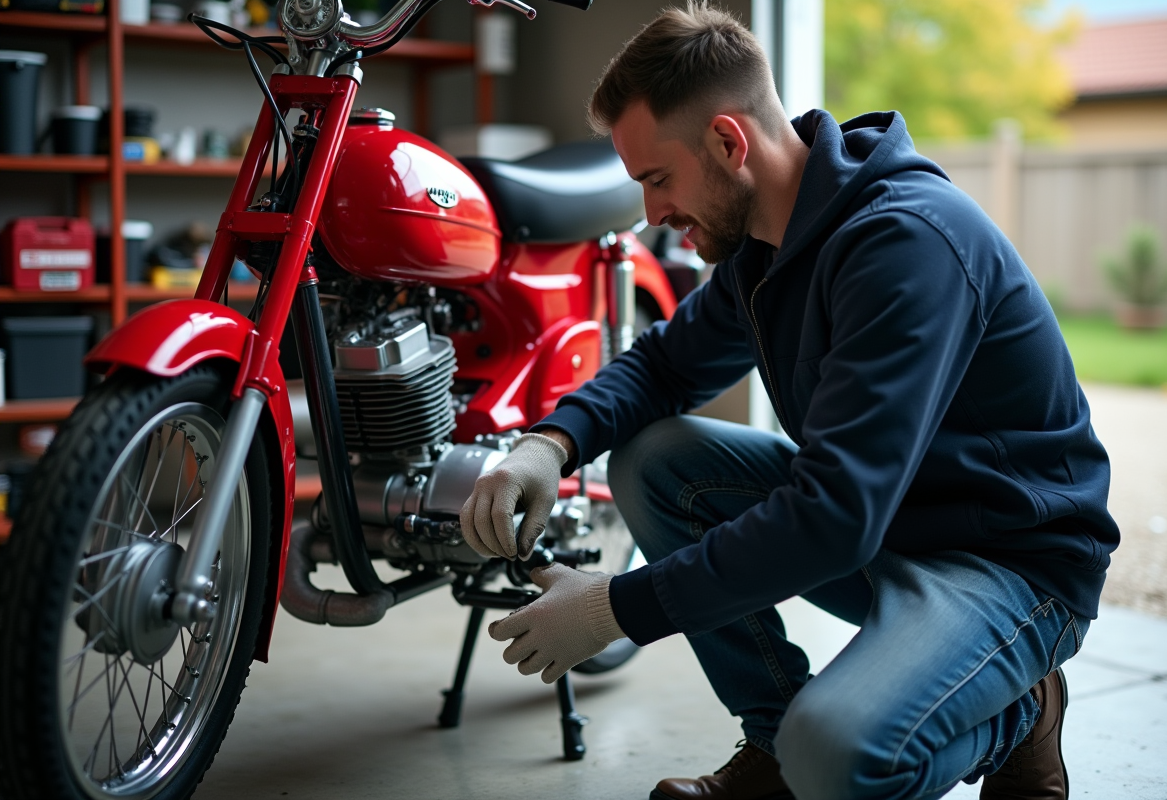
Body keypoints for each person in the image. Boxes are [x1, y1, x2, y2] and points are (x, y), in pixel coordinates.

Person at [458, 4, 1119, 799]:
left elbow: (835, 515)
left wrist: (614, 608)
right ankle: (772, 747)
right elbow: (664, 368)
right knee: (659, 460)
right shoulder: (767, 248)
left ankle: (1024, 706)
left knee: (837, 756)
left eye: (657, 180)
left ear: (729, 142)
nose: (651, 216)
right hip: (892, 527)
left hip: (1010, 563)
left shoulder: (905, 246)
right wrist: (549, 444)